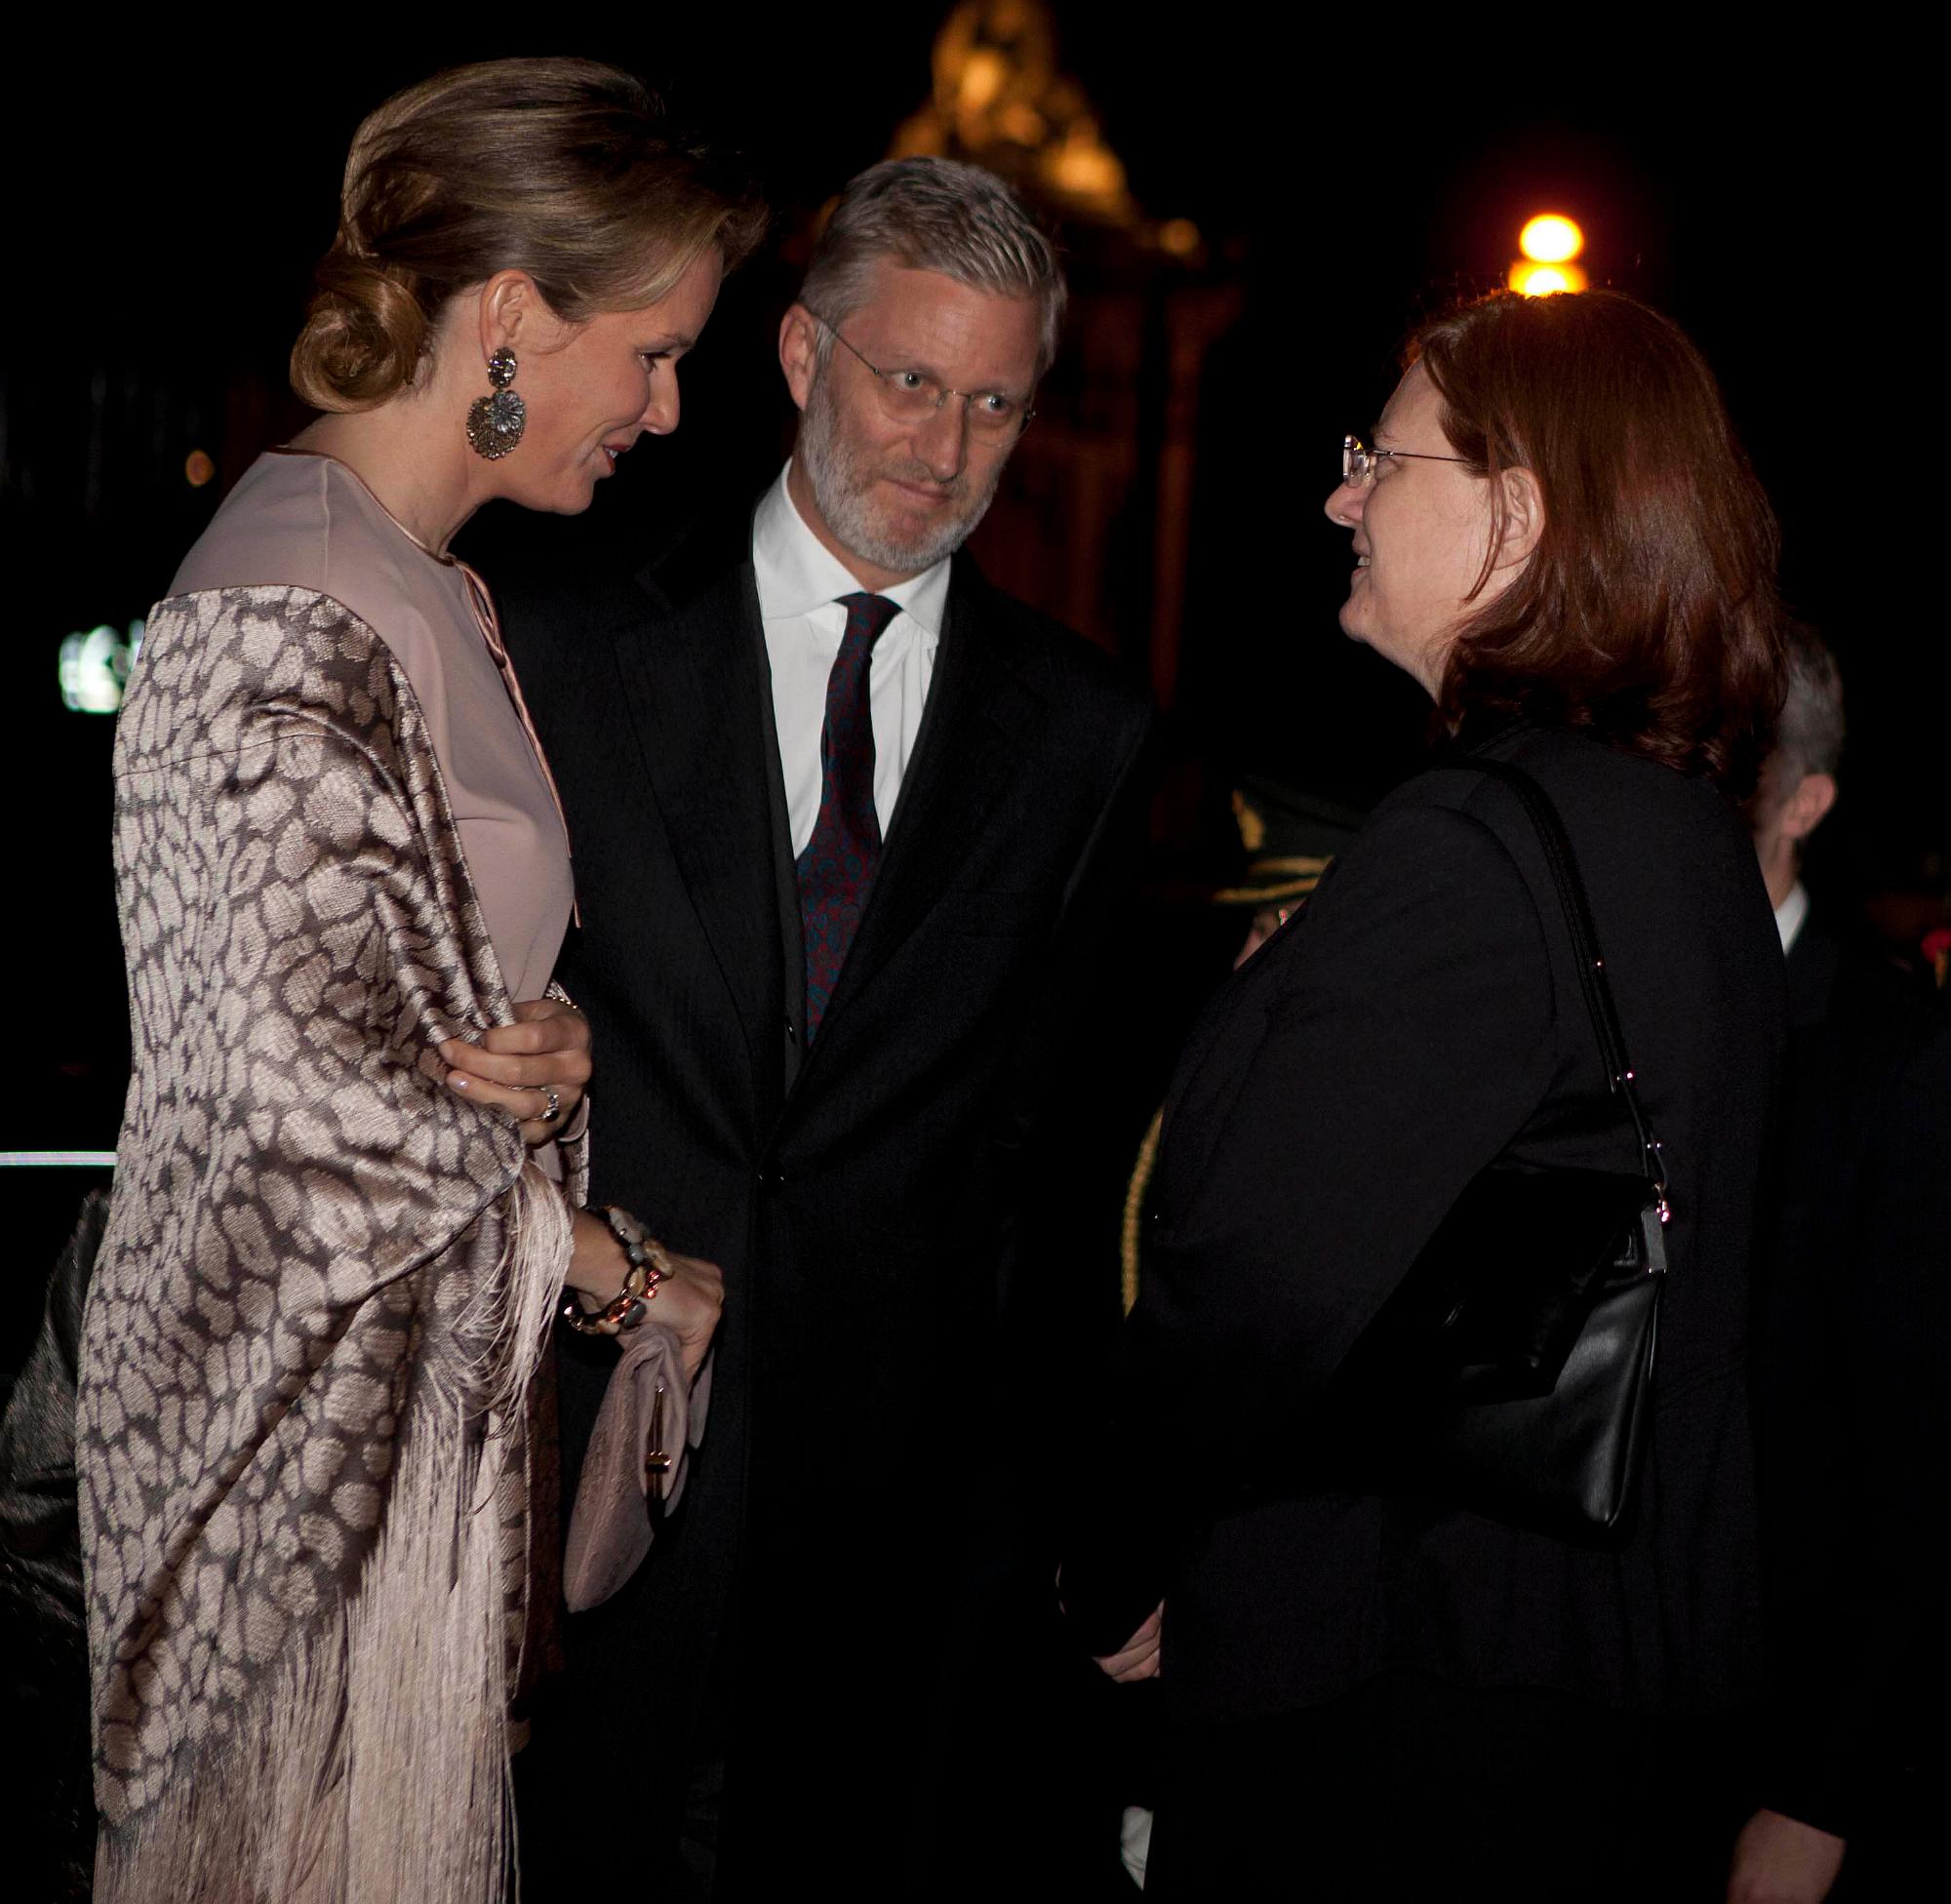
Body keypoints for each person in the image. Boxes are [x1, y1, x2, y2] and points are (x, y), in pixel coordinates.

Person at [78, 59, 762, 1904]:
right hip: (287, 1515)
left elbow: (416, 1002)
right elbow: (313, 1127)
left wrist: (552, 1053)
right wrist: (619, 1271)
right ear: (520, 315)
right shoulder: (282, 608)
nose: (672, 408)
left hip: (393, 1499)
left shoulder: (416, 577)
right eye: (657, 349)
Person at [1060, 288, 1790, 1901]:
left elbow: (1252, 1281)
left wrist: (1112, 1562)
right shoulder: (1677, 832)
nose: (1339, 498)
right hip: (1581, 1678)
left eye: (1377, 460)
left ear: (1516, 515)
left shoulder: (1465, 849)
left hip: (1402, 1685)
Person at [495, 156, 1155, 1898]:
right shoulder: (562, 635)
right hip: (574, 1478)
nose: (943, 448)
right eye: (909, 378)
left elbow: (1048, 1172)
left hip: (895, 1561)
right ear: (801, 355)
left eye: (996, 402)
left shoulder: (1085, 735)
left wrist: (1079, 1539)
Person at [1730, 629, 1951, 1904]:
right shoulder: (1586, 1001)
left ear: (1806, 802)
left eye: (1729, 761)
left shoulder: (1894, 1061)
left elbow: (1920, 1471)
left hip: (1766, 1729)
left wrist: (1816, 1797)